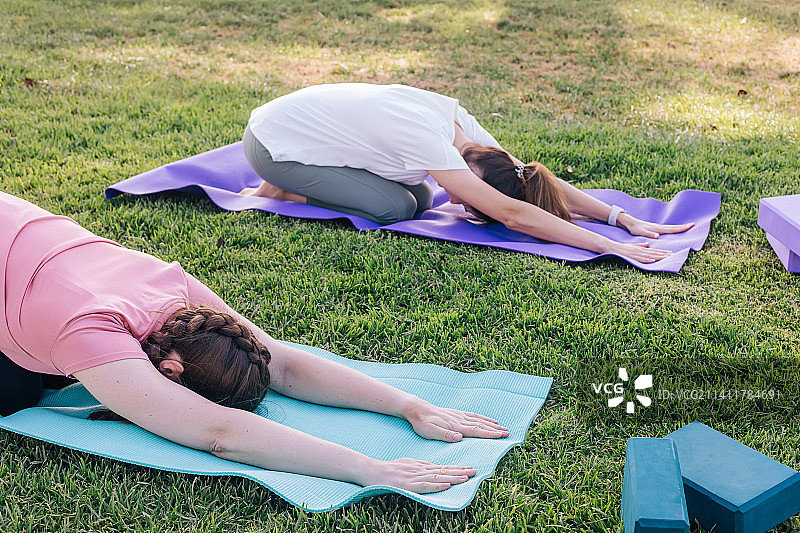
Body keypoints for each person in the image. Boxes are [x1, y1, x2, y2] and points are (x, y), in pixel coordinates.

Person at [0, 190, 509, 493]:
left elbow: (281, 363)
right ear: (173, 372)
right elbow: (219, 431)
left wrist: (408, 406)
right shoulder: (89, 329)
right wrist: (369, 469)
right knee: (14, 394)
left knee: (34, 375)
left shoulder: (174, 289)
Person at [241, 83, 694, 264]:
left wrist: (621, 218)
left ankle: (298, 175)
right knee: (393, 206)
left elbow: (527, 178)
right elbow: (514, 213)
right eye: (470, 201)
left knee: (419, 199)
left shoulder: (473, 142)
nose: (456, 202)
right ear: (473, 177)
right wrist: (609, 246)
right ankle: (281, 186)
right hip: (271, 142)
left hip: (301, 126)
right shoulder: (434, 141)